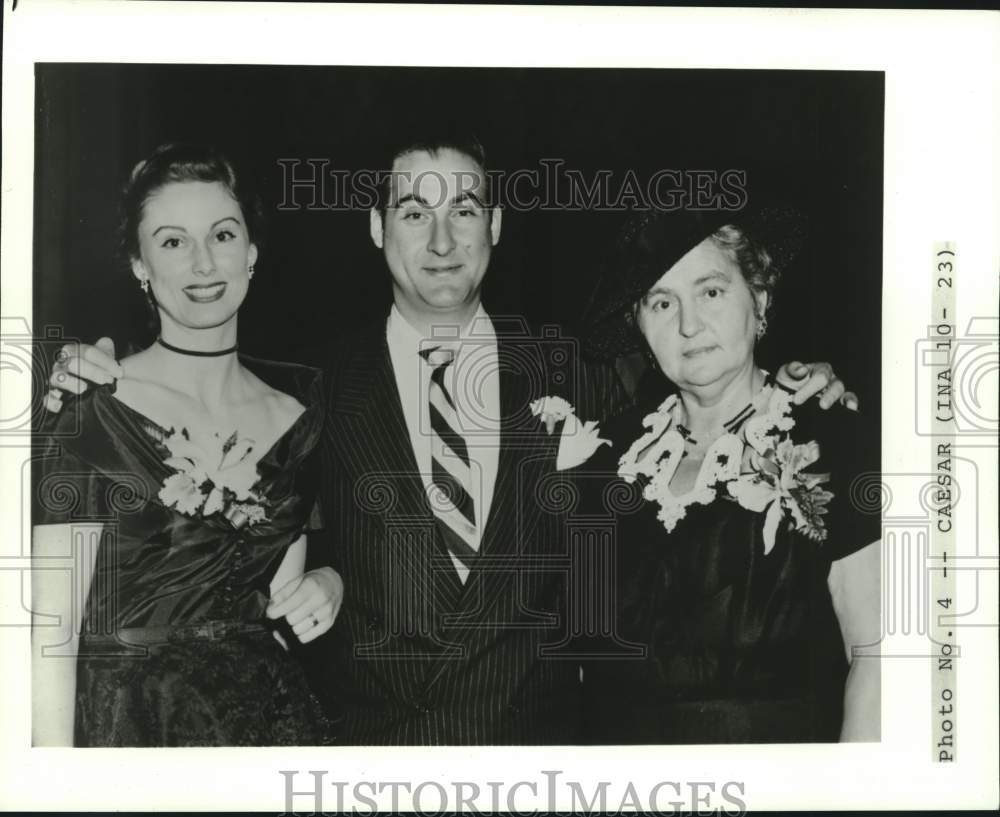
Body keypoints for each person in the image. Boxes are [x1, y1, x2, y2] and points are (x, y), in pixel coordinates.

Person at [46, 134, 855, 745]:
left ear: (495, 224)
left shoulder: (584, 369)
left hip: (539, 761)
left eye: (463, 210)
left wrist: (805, 376)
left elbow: (710, 374)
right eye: (413, 212)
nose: (440, 239)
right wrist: (77, 369)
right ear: (375, 228)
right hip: (364, 762)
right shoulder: (308, 390)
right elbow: (248, 513)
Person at [32, 143, 344, 746]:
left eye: (223, 235)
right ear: (139, 265)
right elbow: (50, 634)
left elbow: (282, 611)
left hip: (264, 727)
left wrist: (327, 587)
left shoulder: (299, 418)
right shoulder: (89, 407)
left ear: (251, 252)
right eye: (173, 242)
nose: (204, 263)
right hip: (130, 730)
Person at [578, 206, 881, 743]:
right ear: (639, 325)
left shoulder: (834, 442)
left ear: (759, 299)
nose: (689, 324)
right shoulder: (604, 460)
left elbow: (881, 661)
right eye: (661, 302)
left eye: (711, 292)